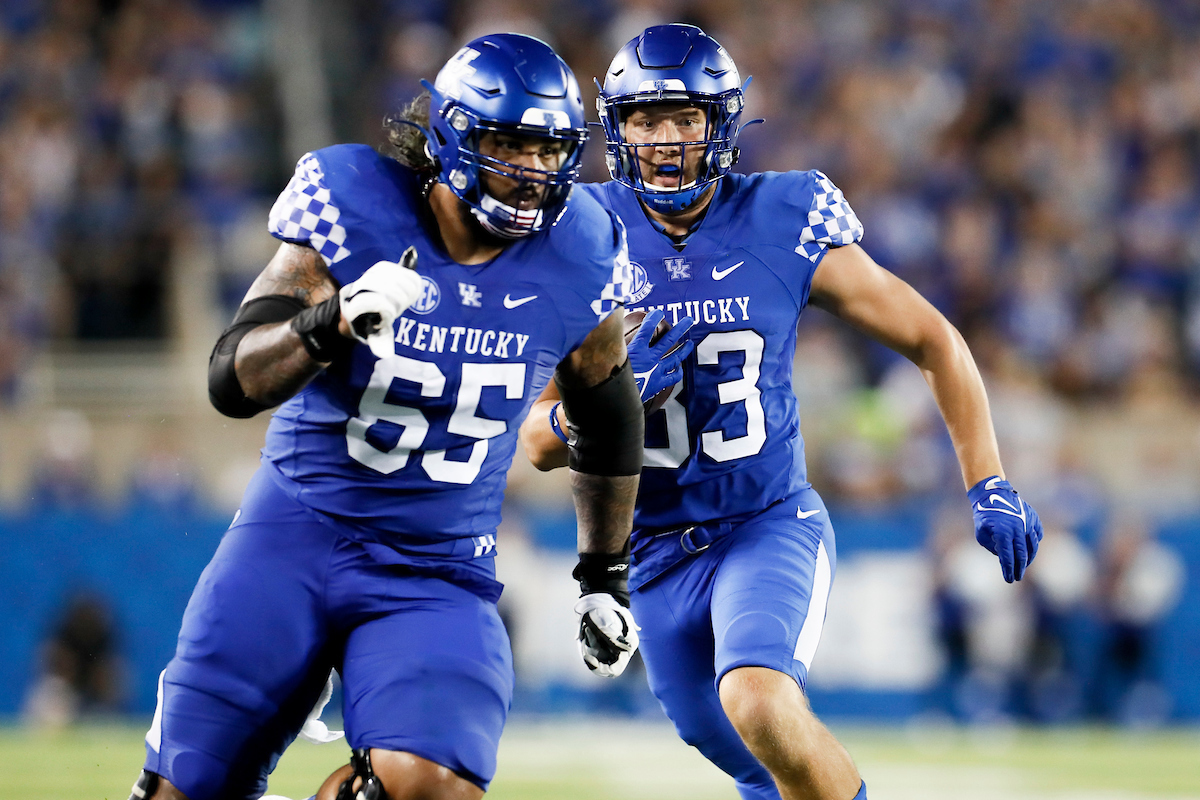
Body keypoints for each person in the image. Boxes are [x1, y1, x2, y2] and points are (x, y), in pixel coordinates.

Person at [520, 24, 1044, 800]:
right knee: (767, 772)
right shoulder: (574, 233)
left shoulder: (784, 215)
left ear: (722, 123)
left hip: (763, 523)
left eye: (686, 117)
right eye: (644, 118)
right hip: (651, 559)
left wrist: (987, 479)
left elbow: (934, 337)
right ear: (616, 128)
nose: (665, 139)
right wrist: (595, 415)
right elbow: (533, 438)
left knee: (758, 698)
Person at [130, 33, 645, 800]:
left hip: (436, 568)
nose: (533, 172)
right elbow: (231, 380)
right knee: (189, 787)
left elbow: (606, 415)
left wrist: (604, 575)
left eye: (549, 150)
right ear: (449, 133)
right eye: (510, 143)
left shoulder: (583, 253)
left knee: (435, 782)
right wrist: (328, 324)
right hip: (295, 535)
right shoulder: (355, 201)